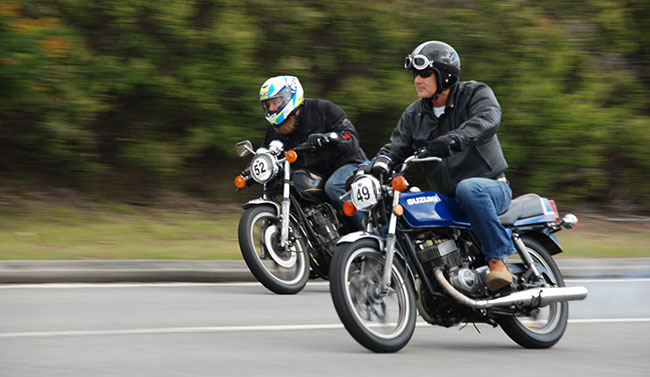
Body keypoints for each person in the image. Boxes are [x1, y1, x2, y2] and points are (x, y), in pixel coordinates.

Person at [371, 41, 515, 291]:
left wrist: (454, 139)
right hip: (447, 197)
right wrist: (377, 165)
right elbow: (396, 147)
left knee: (468, 189)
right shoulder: (414, 114)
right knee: (400, 203)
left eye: (425, 73)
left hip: (491, 187)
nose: (417, 80)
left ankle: (497, 261)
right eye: (416, 74)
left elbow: (488, 119)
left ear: (445, 75)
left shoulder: (475, 93)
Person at [259, 75, 368, 229]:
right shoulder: (275, 129)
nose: (271, 109)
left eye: (275, 103)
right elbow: (266, 152)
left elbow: (351, 138)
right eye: (268, 105)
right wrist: (252, 169)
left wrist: (329, 138)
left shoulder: (323, 109)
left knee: (334, 186)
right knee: (291, 190)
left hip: (347, 165)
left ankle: (370, 230)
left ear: (289, 97)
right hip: (312, 173)